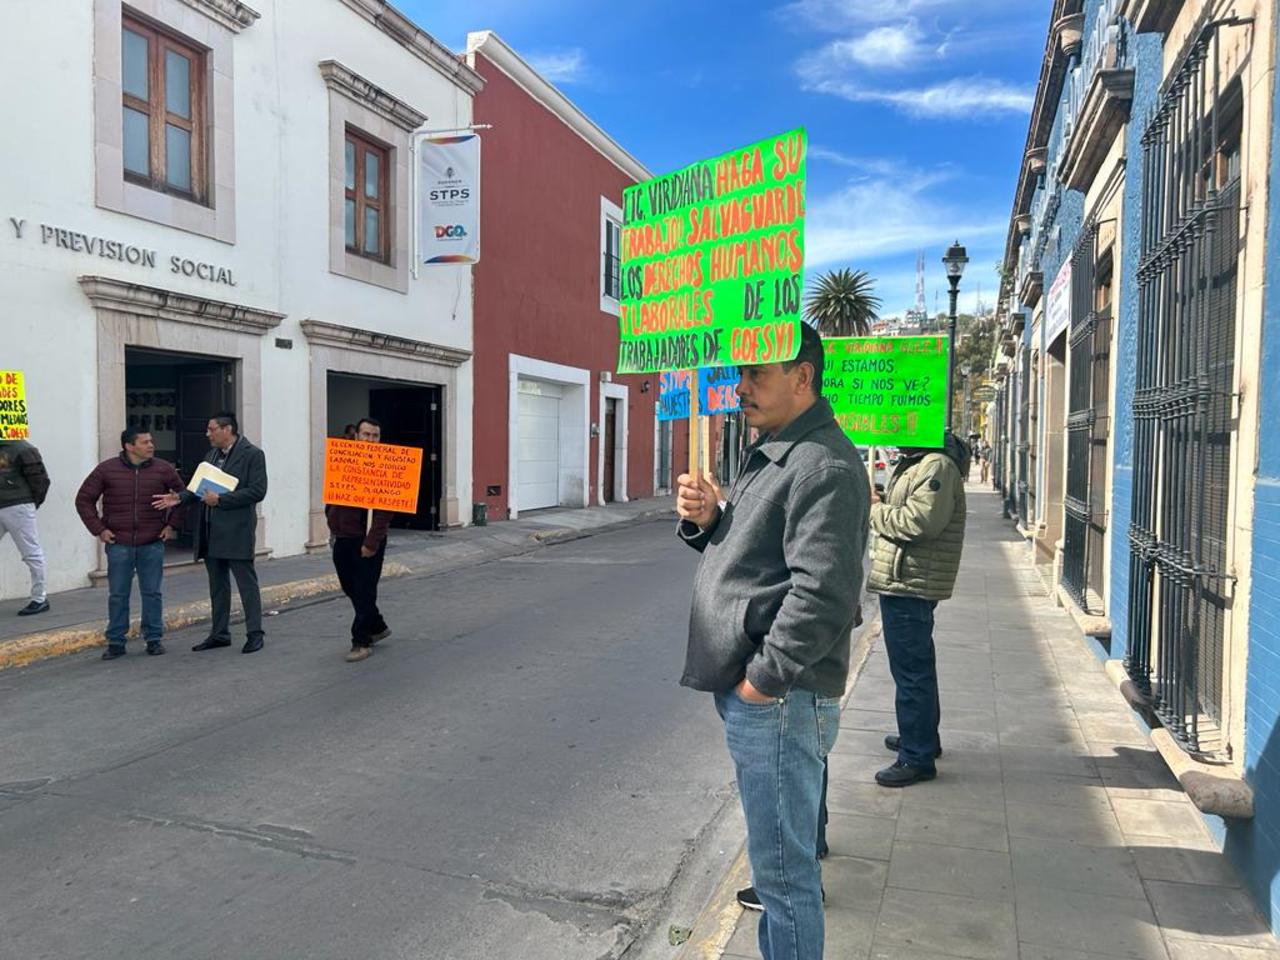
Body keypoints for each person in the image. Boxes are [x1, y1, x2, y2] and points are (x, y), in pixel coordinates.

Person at [676, 322, 868, 960]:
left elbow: (824, 595)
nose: (741, 386)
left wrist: (762, 682)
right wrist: (711, 519)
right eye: (740, 373)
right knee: (777, 868)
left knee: (784, 880)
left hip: (782, 700)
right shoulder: (777, 450)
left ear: (802, 377)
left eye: (756, 373)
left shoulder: (822, 465)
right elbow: (757, 556)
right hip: (767, 698)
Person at [868, 431, 969, 787]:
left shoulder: (936, 465)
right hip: (906, 579)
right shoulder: (916, 461)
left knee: (912, 671)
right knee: (915, 667)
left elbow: (920, 522)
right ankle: (922, 737)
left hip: (910, 582)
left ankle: (917, 756)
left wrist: (874, 510)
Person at [153, 412, 268, 654]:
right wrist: (179, 498)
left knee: (246, 584)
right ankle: (219, 633)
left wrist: (222, 500)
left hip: (236, 530)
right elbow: (198, 489)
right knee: (217, 586)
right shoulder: (211, 456)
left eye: (211, 429)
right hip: (209, 529)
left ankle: (255, 633)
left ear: (227, 430)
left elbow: (258, 491)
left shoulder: (253, 454)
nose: (207, 434)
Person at [75, 428, 185, 658]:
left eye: (151, 441)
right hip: (119, 542)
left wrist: (171, 525)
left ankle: (153, 639)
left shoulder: (163, 469)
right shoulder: (106, 469)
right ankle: (116, 642)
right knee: (118, 594)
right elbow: (84, 500)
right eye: (145, 442)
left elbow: (183, 498)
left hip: (152, 541)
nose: (151, 445)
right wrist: (99, 530)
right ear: (129, 446)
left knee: (152, 593)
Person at [327, 417, 393, 662]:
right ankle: (376, 625)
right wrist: (331, 521)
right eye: (366, 434)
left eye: (375, 436)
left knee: (365, 590)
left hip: (367, 540)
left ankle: (361, 641)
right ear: (357, 436)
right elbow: (332, 495)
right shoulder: (342, 460)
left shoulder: (386, 466)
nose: (370, 439)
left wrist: (371, 542)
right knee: (350, 587)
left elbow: (384, 512)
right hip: (342, 538)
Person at [0, 436, 51, 616]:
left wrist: (30, 503)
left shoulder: (22, 447)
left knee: (31, 552)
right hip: (12, 505)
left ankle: (39, 598)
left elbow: (41, 480)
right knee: (32, 552)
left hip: (17, 506)